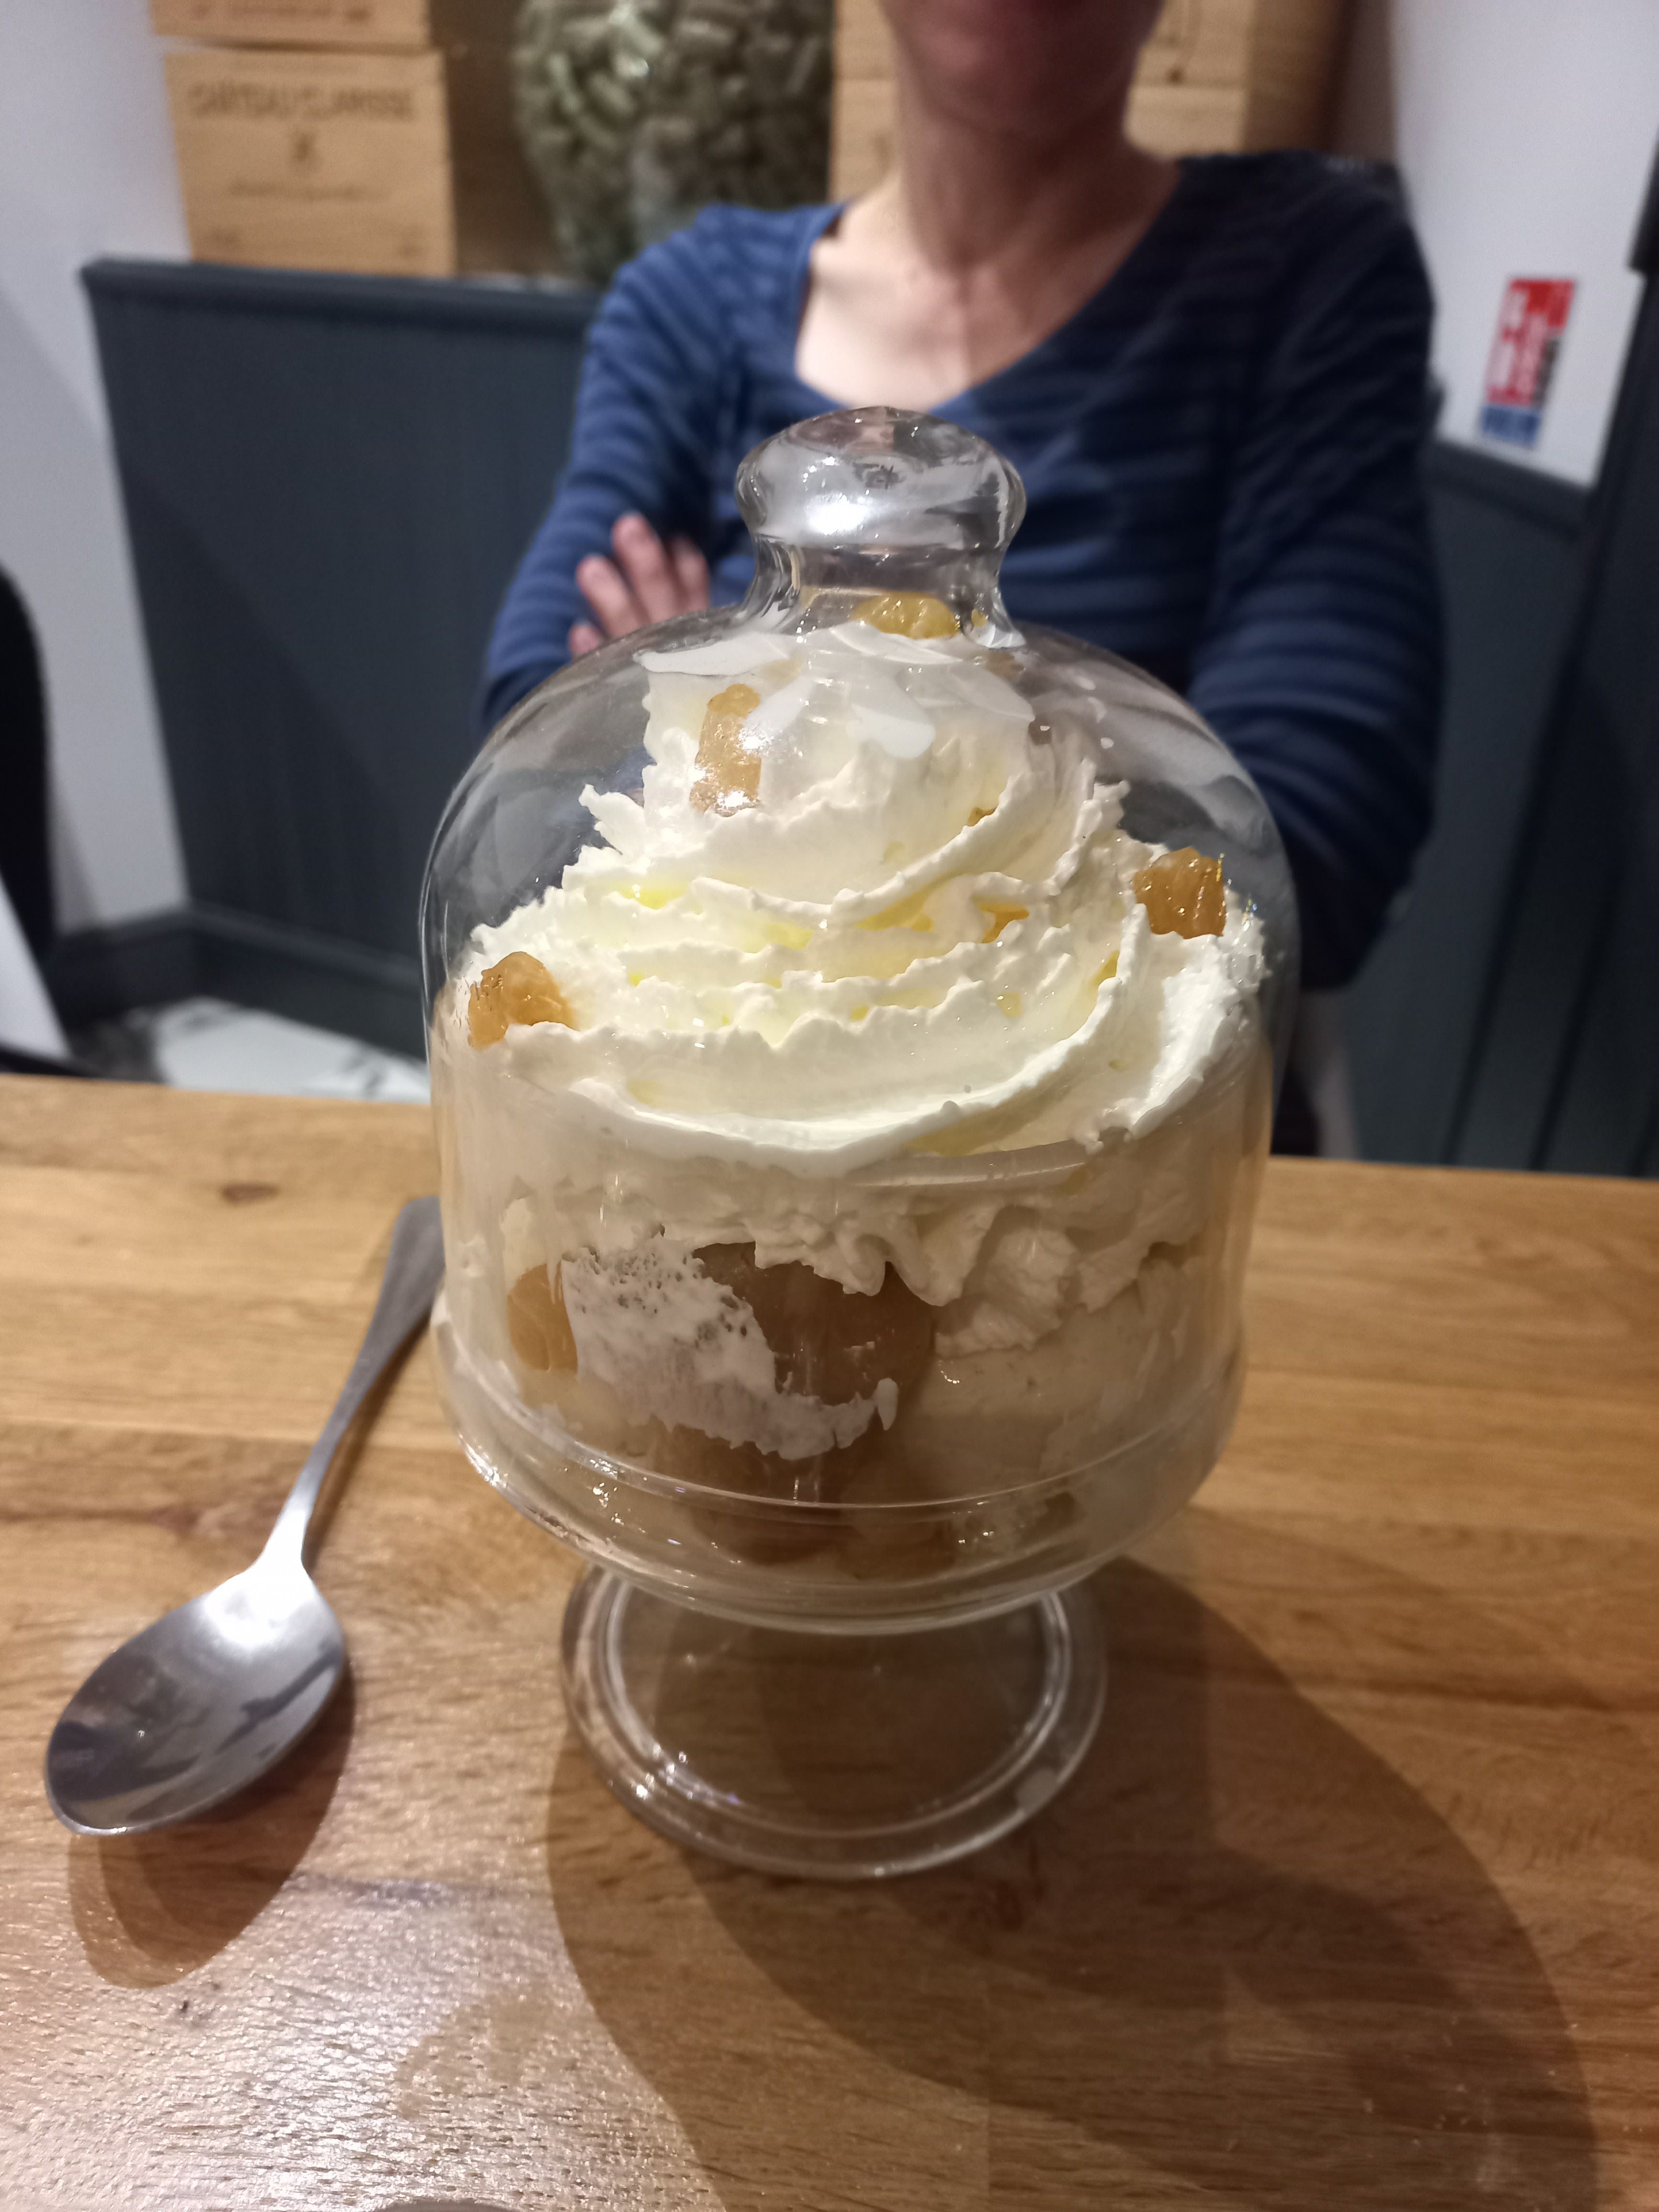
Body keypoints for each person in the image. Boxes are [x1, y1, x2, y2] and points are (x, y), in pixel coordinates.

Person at [485, 0, 1442, 1012]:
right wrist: (1067, 780)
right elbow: (540, 764)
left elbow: (1312, 844)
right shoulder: (690, 299)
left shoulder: (1305, 264)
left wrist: (723, 724)